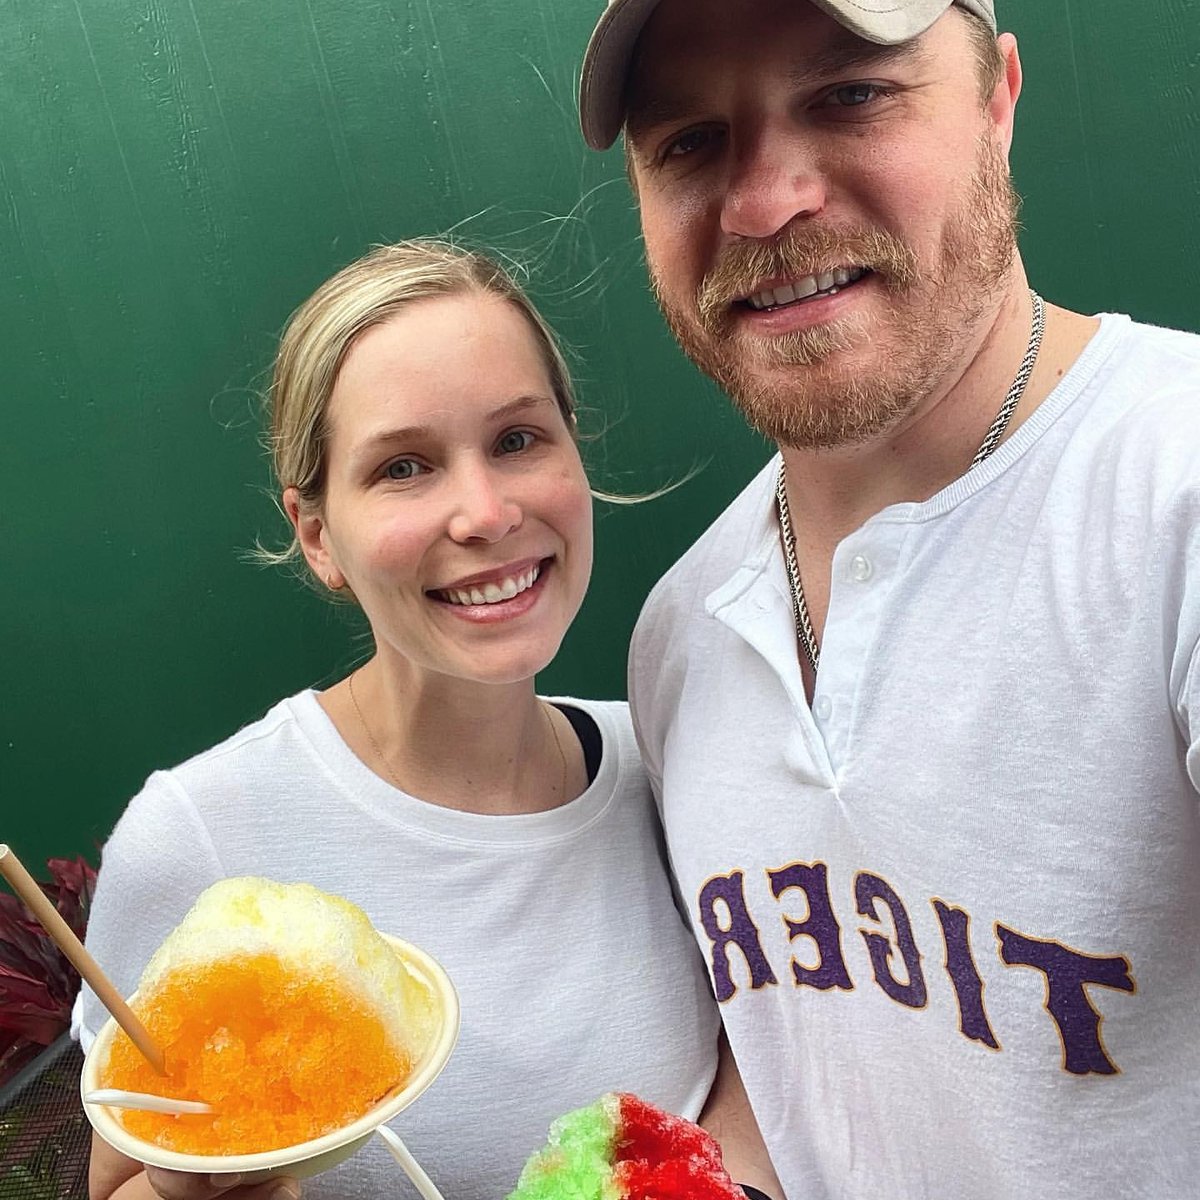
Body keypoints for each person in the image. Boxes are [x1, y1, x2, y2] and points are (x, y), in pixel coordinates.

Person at [578, 0, 1200, 1195]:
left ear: (1000, 100)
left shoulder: (1171, 498)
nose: (763, 204)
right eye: (690, 144)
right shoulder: (680, 633)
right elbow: (800, 1069)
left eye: (850, 96)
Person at [74, 241, 781, 1200]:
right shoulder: (200, 841)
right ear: (317, 535)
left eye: (518, 440)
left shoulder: (673, 760)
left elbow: (762, 1088)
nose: (485, 513)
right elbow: (119, 1179)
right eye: (404, 466)